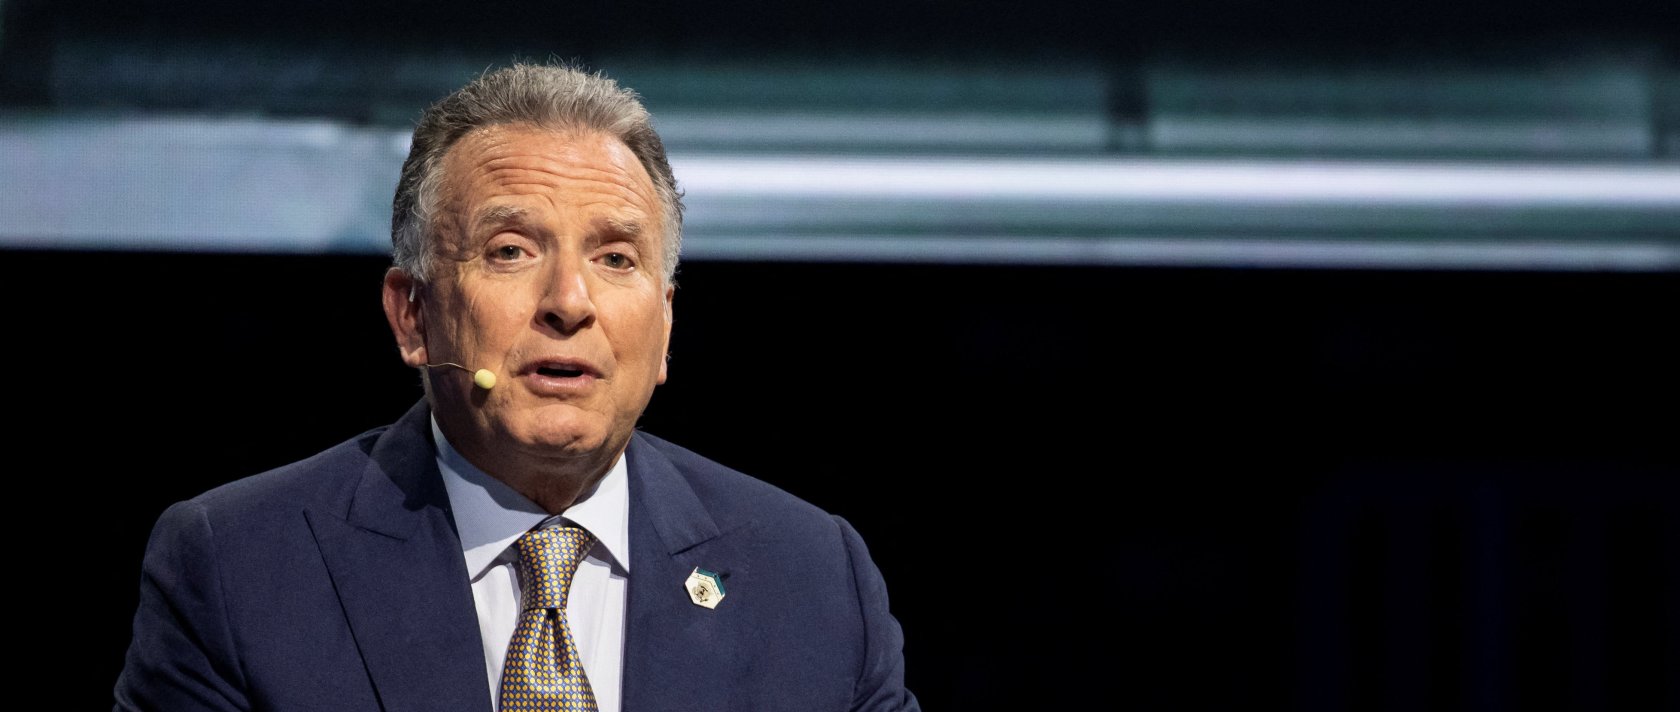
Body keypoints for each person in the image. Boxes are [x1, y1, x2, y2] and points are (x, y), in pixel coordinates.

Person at [113, 63, 918, 712]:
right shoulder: (237, 569)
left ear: (665, 326)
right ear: (413, 315)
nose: (570, 302)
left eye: (616, 259)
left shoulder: (813, 581)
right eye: (510, 251)